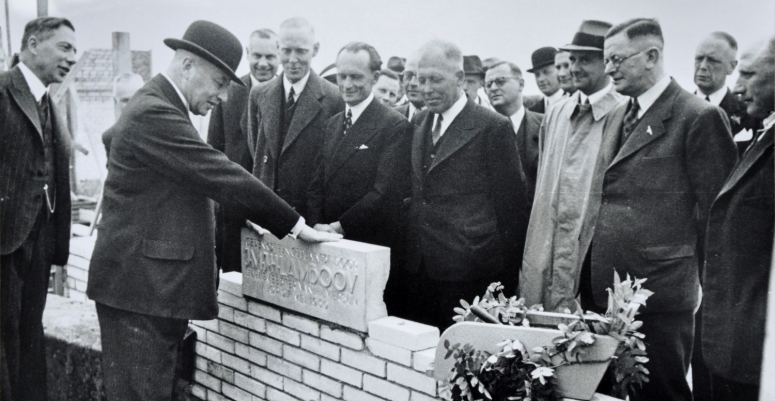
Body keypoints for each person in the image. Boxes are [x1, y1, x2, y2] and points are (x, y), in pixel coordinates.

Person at [86, 20, 340, 400]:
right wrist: (295, 224)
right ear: (188, 65)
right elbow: (220, 172)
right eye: (220, 82)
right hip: (141, 293)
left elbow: (118, 140)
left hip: (147, 289)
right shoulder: (154, 112)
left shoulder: (155, 103)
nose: (222, 97)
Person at [584, 18, 737, 401]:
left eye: (617, 59)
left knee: (661, 393)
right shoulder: (619, 114)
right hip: (605, 292)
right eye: (606, 60)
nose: (608, 69)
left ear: (652, 56)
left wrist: (708, 298)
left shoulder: (697, 116)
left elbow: (717, 219)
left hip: (659, 298)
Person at [403, 39, 530, 330]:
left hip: (467, 270)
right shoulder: (420, 121)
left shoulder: (492, 126)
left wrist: (504, 281)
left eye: (435, 80)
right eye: (420, 80)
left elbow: (512, 206)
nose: (426, 88)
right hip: (419, 266)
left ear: (460, 79)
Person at [520, 20, 626, 312]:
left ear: (607, 63)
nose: (576, 68)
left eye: (586, 60)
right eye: (573, 59)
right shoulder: (556, 113)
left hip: (591, 267)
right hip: (547, 254)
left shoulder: (624, 114)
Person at [0, 16, 76, 401]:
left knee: (30, 334)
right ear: (32, 44)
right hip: (4, 245)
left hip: (39, 245)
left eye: (75, 51)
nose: (73, 58)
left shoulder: (50, 101)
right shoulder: (2, 90)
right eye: (64, 47)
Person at [307, 42, 413, 316]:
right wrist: (318, 224)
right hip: (327, 243)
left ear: (375, 78)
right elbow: (316, 182)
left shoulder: (394, 125)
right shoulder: (332, 124)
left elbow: (384, 193)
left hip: (366, 245)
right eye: (342, 76)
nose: (347, 84)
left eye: (356, 77)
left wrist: (339, 227)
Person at [701, 36, 775, 401]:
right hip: (736, 344)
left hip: (757, 352)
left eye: (748, 73)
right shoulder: (765, 130)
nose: (738, 86)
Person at [248, 17, 345, 220]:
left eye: (301, 51)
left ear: (315, 49)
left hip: (308, 215)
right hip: (267, 212)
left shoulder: (335, 98)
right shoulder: (258, 94)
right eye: (286, 50)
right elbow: (256, 150)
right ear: (277, 48)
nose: (293, 59)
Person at [208, 28, 279, 273]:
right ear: (248, 54)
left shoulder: (287, 95)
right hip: (234, 212)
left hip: (276, 212)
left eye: (270, 56)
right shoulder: (229, 92)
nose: (263, 63)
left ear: (279, 55)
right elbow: (214, 150)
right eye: (257, 55)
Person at [694, 31, 760, 155]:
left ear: (731, 67)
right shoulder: (677, 110)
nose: (702, 66)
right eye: (699, 58)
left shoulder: (750, 113)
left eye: (712, 60)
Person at [484, 60, 543, 196]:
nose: (493, 88)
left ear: (521, 84)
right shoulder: (480, 129)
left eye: (500, 81)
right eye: (488, 84)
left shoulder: (546, 124)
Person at [102, 72, 144, 162]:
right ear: (115, 101)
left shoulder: (159, 128)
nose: (131, 104)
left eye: (136, 98)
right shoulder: (110, 137)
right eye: (125, 100)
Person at [525, 46, 562, 113]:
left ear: (559, 70)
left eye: (546, 72)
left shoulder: (576, 103)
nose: (540, 79)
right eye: (537, 75)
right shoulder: (532, 112)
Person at [394, 52, 424, 121]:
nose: (413, 83)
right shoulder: (391, 116)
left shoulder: (440, 121)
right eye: (408, 75)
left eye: (420, 77)